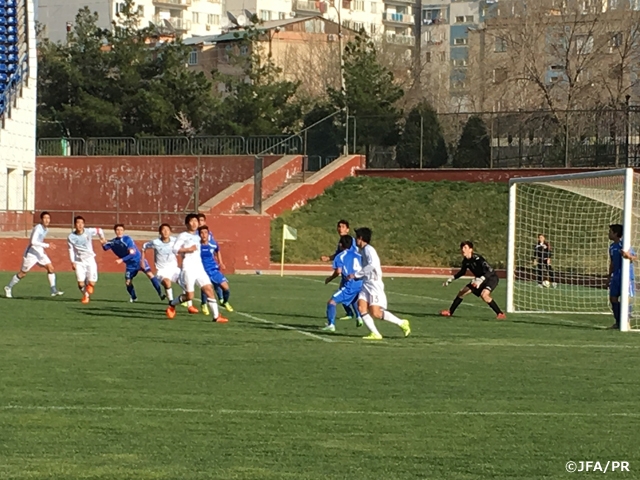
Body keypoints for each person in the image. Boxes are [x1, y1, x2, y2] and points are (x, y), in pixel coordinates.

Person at [347, 227, 411, 340]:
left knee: (375, 313)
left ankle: (401, 322)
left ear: (361, 238)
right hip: (366, 283)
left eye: (356, 237)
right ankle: (375, 333)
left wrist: (356, 275)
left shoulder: (369, 250)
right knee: (361, 308)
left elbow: (373, 264)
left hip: (374, 284)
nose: (355, 240)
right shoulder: (362, 250)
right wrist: (360, 277)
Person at [165, 214, 228, 323]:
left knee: (209, 289)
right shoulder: (183, 235)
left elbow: (208, 243)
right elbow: (175, 249)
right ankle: (172, 304)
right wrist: (188, 249)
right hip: (188, 269)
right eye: (192, 221)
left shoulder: (199, 235)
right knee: (189, 296)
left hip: (199, 268)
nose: (194, 223)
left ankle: (216, 316)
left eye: (196, 221)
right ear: (186, 223)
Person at [441, 241, 506, 320]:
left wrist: (481, 279)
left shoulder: (478, 259)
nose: (463, 250)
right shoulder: (465, 261)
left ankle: (500, 313)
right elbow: (462, 272)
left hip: (490, 278)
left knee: (484, 295)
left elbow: (490, 271)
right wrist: (451, 279)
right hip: (479, 279)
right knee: (462, 292)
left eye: (465, 248)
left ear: (471, 249)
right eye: (462, 248)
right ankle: (450, 312)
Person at [4, 211, 63, 298]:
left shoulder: (46, 229)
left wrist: (43, 248)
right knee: (23, 273)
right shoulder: (38, 228)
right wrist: (47, 245)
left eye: (48, 218)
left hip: (39, 251)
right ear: (41, 219)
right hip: (31, 253)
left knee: (50, 268)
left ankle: (53, 290)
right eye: (45, 218)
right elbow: (33, 242)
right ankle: (8, 287)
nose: (47, 220)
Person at [101, 224, 164, 302]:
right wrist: (102, 242)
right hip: (130, 265)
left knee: (150, 275)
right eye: (117, 230)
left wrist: (121, 260)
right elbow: (105, 247)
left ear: (123, 231)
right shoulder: (113, 242)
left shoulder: (127, 239)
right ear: (115, 231)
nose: (119, 231)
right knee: (128, 282)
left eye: (121, 230)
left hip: (139, 261)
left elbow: (132, 253)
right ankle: (134, 298)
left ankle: (160, 294)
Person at [323, 235, 363, 332]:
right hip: (361, 283)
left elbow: (338, 271)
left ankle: (331, 324)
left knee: (331, 302)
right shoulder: (359, 255)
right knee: (353, 299)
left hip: (350, 285)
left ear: (340, 244)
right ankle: (359, 317)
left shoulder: (340, 256)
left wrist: (329, 279)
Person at [320, 219, 358, 320]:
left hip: (352, 274)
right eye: (339, 226)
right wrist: (328, 258)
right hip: (347, 273)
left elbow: (352, 255)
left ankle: (357, 315)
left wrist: (330, 278)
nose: (340, 229)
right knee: (346, 293)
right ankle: (352, 314)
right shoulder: (342, 242)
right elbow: (339, 254)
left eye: (343, 227)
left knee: (345, 293)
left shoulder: (350, 241)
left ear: (347, 229)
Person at [67, 216, 105, 304]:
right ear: (74, 224)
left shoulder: (88, 231)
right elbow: (71, 250)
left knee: (92, 283)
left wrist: (102, 238)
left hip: (90, 259)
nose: (80, 225)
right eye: (78, 223)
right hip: (79, 261)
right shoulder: (71, 237)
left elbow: (99, 230)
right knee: (80, 284)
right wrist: (72, 261)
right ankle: (86, 296)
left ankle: (89, 284)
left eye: (82, 223)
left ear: (84, 224)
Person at [198, 224, 233, 315]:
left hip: (214, 270)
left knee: (226, 288)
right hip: (203, 271)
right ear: (199, 235)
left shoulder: (212, 243)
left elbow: (217, 250)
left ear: (208, 234)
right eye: (201, 233)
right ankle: (204, 304)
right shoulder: (197, 246)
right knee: (206, 288)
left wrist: (221, 262)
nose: (204, 235)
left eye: (205, 232)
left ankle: (225, 302)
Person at [142, 223, 181, 304]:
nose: (166, 232)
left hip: (174, 269)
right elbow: (144, 247)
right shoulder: (155, 242)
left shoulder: (175, 241)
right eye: (163, 230)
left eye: (167, 230)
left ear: (170, 232)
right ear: (160, 232)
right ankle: (171, 303)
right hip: (162, 270)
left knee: (185, 282)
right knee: (167, 282)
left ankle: (187, 302)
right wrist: (142, 260)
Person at [608, 224, 636, 329]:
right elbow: (612, 263)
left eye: (610, 232)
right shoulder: (611, 247)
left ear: (616, 234)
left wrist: (628, 256)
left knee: (626, 298)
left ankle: (627, 321)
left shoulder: (624, 244)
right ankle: (618, 321)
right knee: (613, 298)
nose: (609, 234)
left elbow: (634, 257)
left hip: (626, 277)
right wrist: (609, 276)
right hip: (616, 277)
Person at [197, 213, 225, 304]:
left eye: (201, 220)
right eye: (198, 221)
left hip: (210, 262)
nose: (200, 222)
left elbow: (215, 247)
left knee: (216, 280)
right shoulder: (194, 235)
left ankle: (221, 298)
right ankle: (200, 303)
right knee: (202, 283)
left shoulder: (209, 234)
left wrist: (219, 260)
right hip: (199, 263)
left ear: (205, 221)